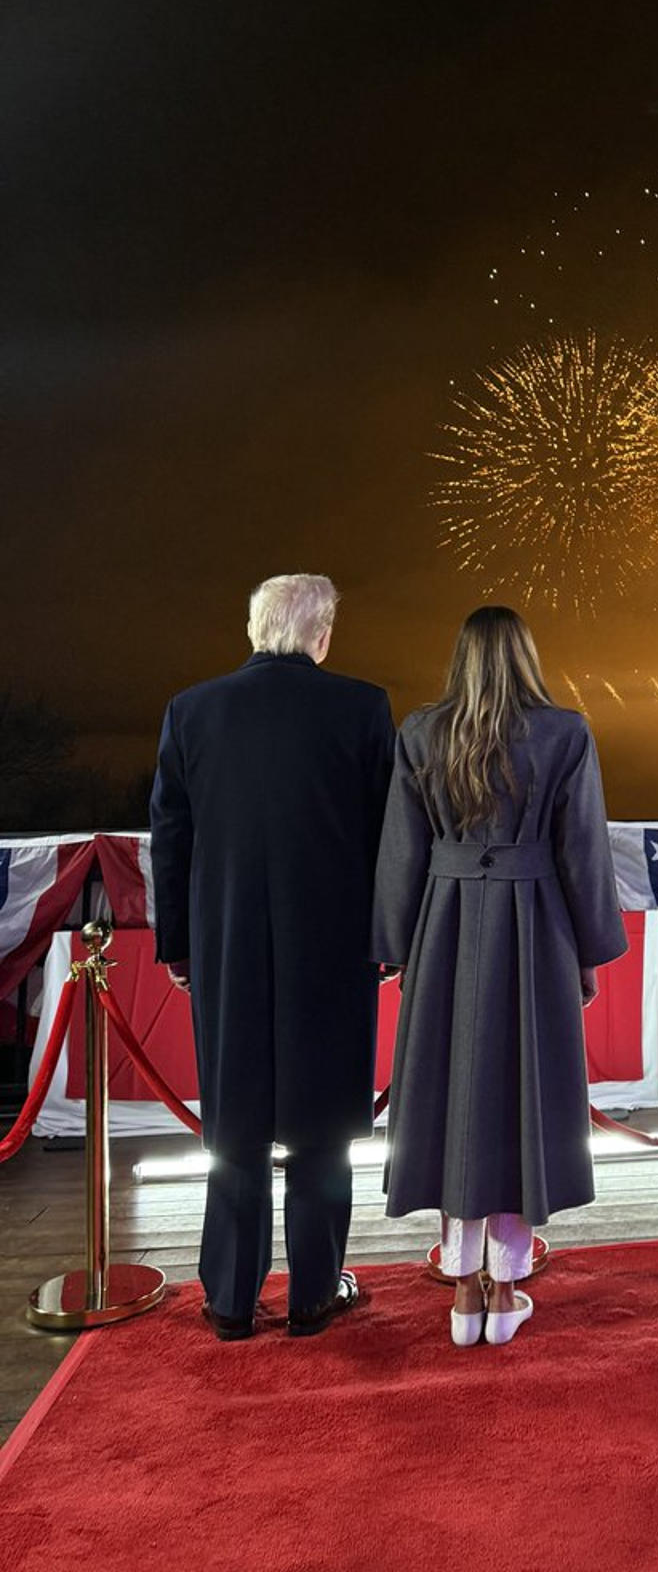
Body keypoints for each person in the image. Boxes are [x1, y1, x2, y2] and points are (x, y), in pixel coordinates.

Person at [373, 604, 628, 1347]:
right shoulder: (565, 733)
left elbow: (401, 851)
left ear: (461, 658)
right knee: (522, 1103)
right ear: (524, 656)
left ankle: (462, 1298)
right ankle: (508, 1288)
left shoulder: (421, 731)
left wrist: (395, 945)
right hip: (534, 926)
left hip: (445, 928)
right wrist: (585, 950)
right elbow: (582, 850)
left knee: (453, 1101)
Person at [150, 574, 394, 1340]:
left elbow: (172, 840)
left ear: (254, 628)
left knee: (235, 1125)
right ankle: (315, 1292)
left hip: (225, 950)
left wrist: (179, 946)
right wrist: (387, 939)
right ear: (321, 635)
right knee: (323, 1129)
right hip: (333, 950)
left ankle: (228, 1297)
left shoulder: (191, 711)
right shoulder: (361, 707)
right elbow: (389, 837)